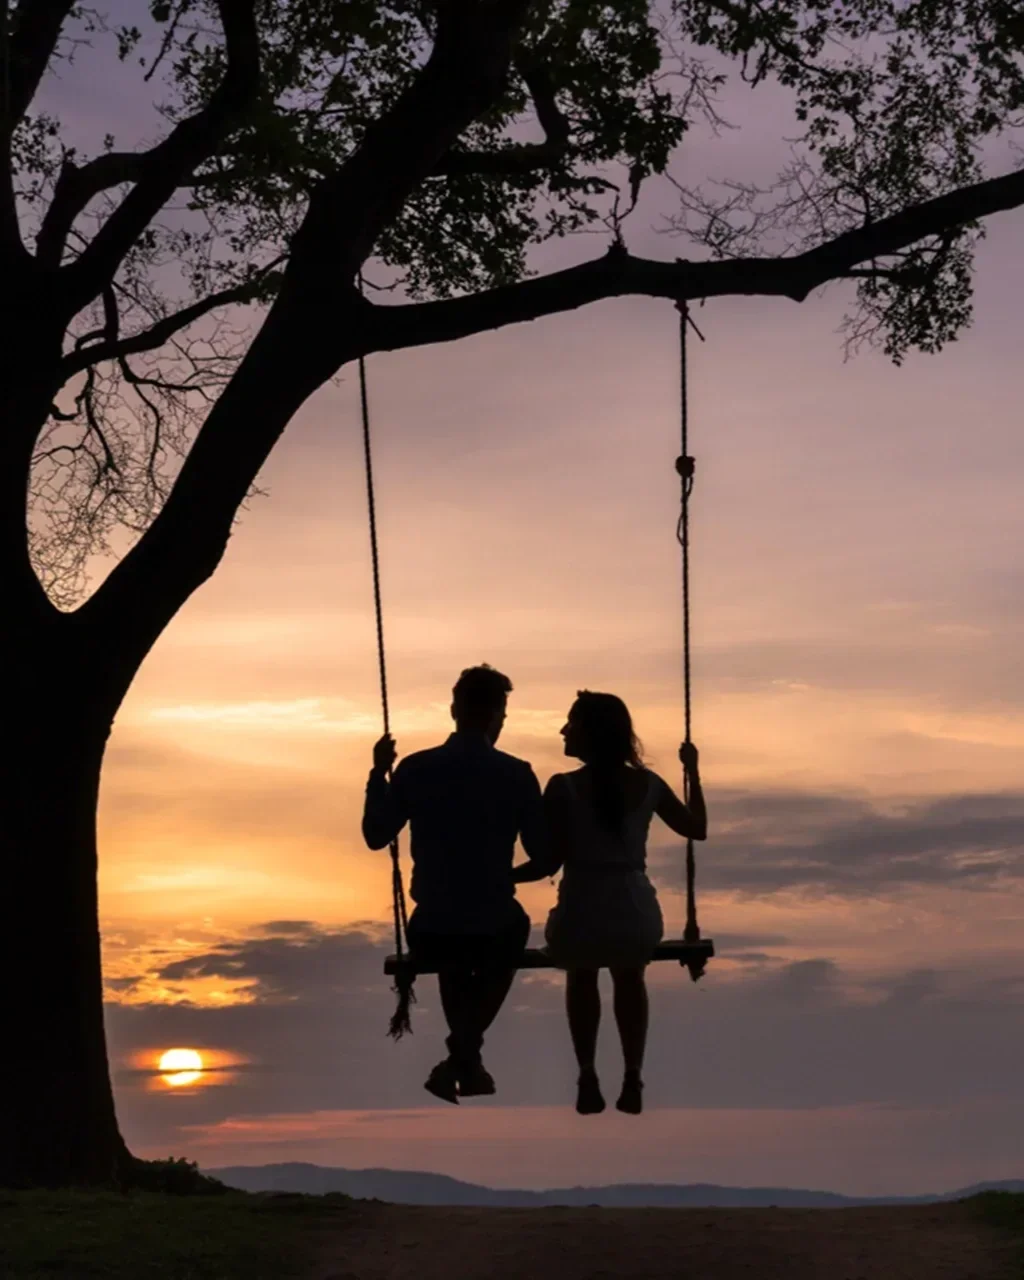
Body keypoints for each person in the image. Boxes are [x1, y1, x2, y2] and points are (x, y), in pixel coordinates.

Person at [362, 664, 551, 1105]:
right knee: (506, 930)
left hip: (431, 925)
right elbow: (543, 858)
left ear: (453, 710)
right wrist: (503, 877)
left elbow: (375, 835)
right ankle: (463, 1057)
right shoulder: (517, 774)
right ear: (496, 715)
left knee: (452, 948)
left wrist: (377, 775)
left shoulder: (414, 768)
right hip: (493, 923)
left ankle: (463, 1060)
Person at [541, 691, 706, 1116]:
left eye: (570, 722)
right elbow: (697, 828)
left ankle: (587, 1073)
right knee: (630, 977)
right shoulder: (648, 783)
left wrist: (504, 874)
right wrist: (693, 773)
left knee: (581, 975)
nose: (563, 730)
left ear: (589, 732)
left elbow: (548, 858)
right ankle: (633, 1075)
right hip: (634, 908)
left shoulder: (562, 786)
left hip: (581, 904)